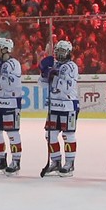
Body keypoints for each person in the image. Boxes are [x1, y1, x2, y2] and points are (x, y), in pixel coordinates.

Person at [0, 37, 24, 175]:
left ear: (5, 49)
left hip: (10, 103)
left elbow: (9, 85)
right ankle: (1, 159)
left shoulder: (13, 64)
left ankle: (16, 161)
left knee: (12, 132)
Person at [43, 39, 80, 177]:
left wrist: (54, 77)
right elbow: (42, 84)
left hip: (68, 106)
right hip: (54, 105)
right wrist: (44, 74)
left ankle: (69, 163)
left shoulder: (71, 66)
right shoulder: (53, 64)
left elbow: (67, 87)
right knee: (50, 134)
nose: (60, 54)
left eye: (63, 51)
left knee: (68, 134)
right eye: (58, 51)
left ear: (69, 53)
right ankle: (56, 162)